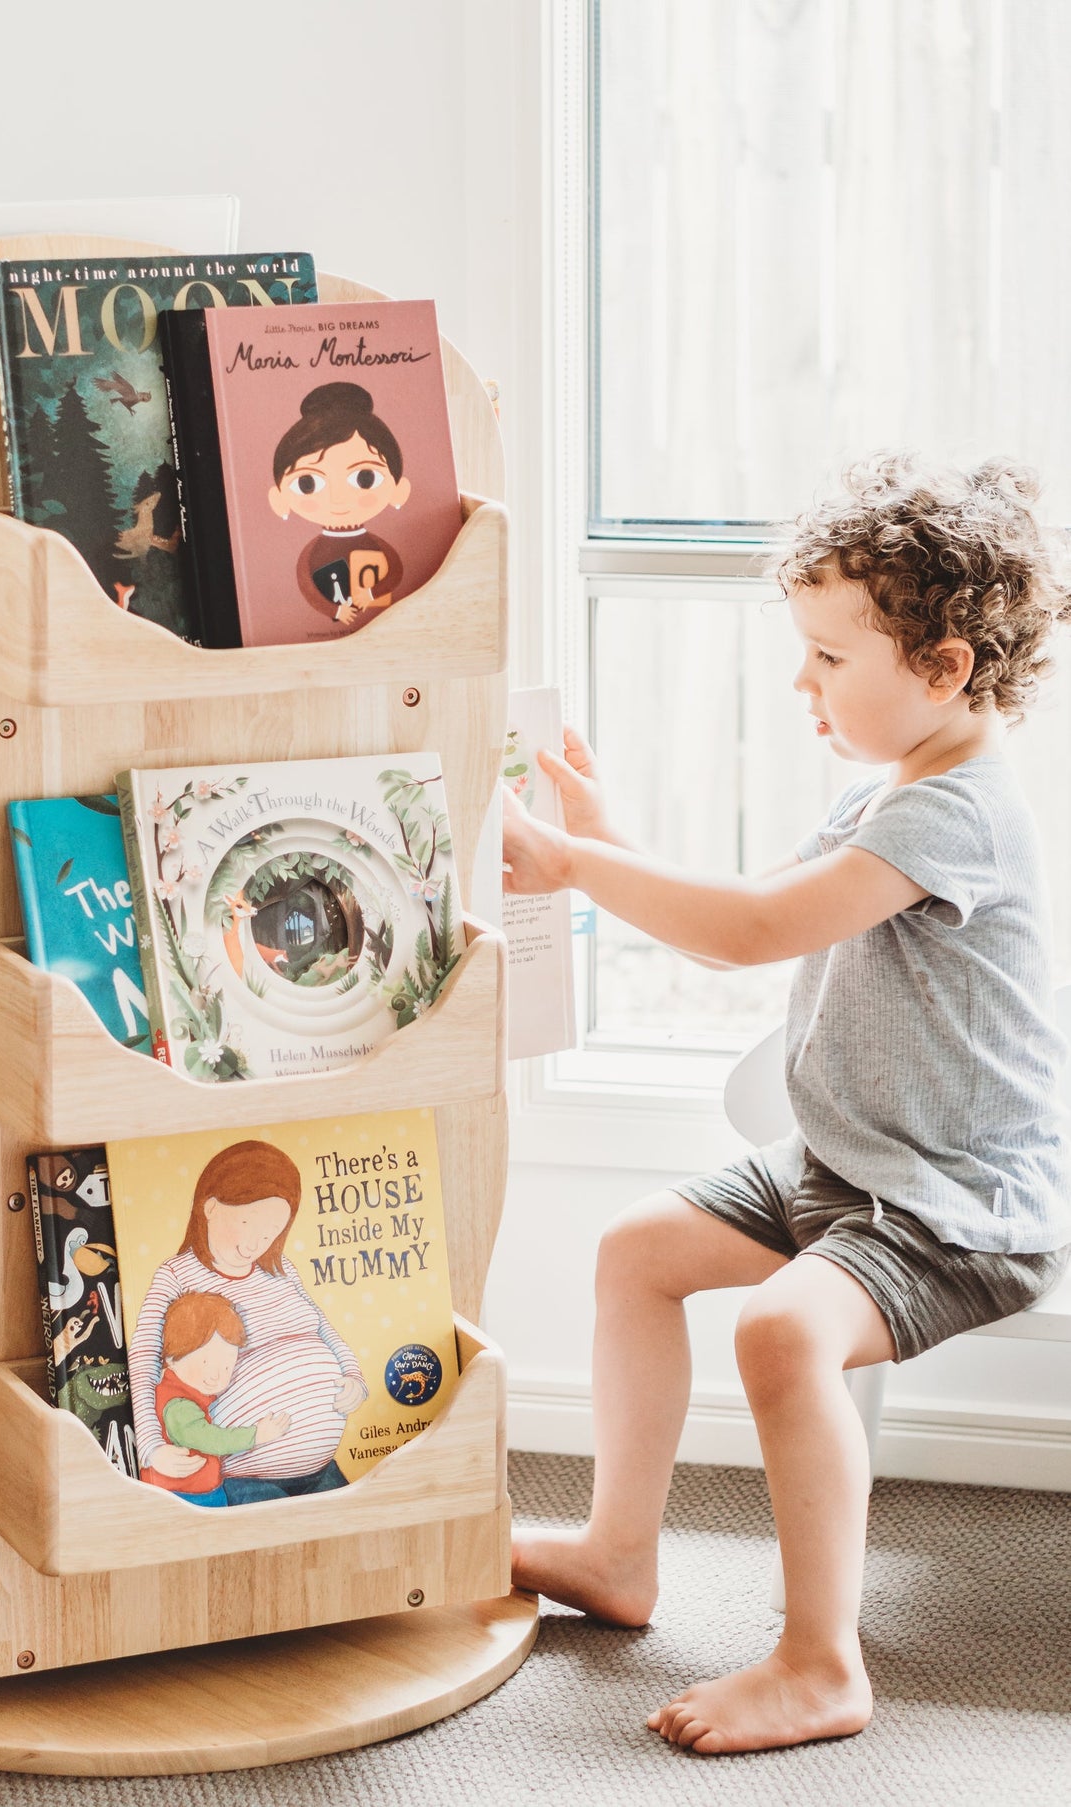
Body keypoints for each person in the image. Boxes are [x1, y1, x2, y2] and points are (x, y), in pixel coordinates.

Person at [502, 454, 1071, 1755]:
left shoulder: (958, 813)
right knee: (638, 1249)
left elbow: (756, 931)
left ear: (939, 665)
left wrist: (579, 860)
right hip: (847, 1162)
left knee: (779, 1331)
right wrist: (612, 837)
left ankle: (820, 1659)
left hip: (952, 1200)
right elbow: (728, 935)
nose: (800, 682)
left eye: (826, 656)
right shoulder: (886, 788)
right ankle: (616, 1550)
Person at [130, 1138, 370, 1502]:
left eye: (270, 1231)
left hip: (322, 1470)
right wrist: (150, 1446)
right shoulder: (176, 1276)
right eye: (247, 1222)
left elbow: (323, 1328)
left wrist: (353, 1376)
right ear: (210, 1206)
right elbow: (144, 1361)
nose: (255, 1243)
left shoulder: (281, 1269)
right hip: (247, 1477)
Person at [267, 382, 409, 629]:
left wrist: (373, 593)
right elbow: (307, 585)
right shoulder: (313, 552)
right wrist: (335, 610)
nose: (338, 499)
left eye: (365, 478)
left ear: (398, 490)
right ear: (279, 499)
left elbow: (394, 570)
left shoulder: (376, 545)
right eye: (307, 483)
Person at [143, 1293, 291, 1508]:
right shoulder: (179, 1405)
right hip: (187, 1497)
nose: (216, 1375)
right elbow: (210, 1439)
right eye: (206, 1362)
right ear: (172, 1358)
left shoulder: (184, 1392)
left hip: (196, 1494)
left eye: (226, 1366)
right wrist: (256, 1435)